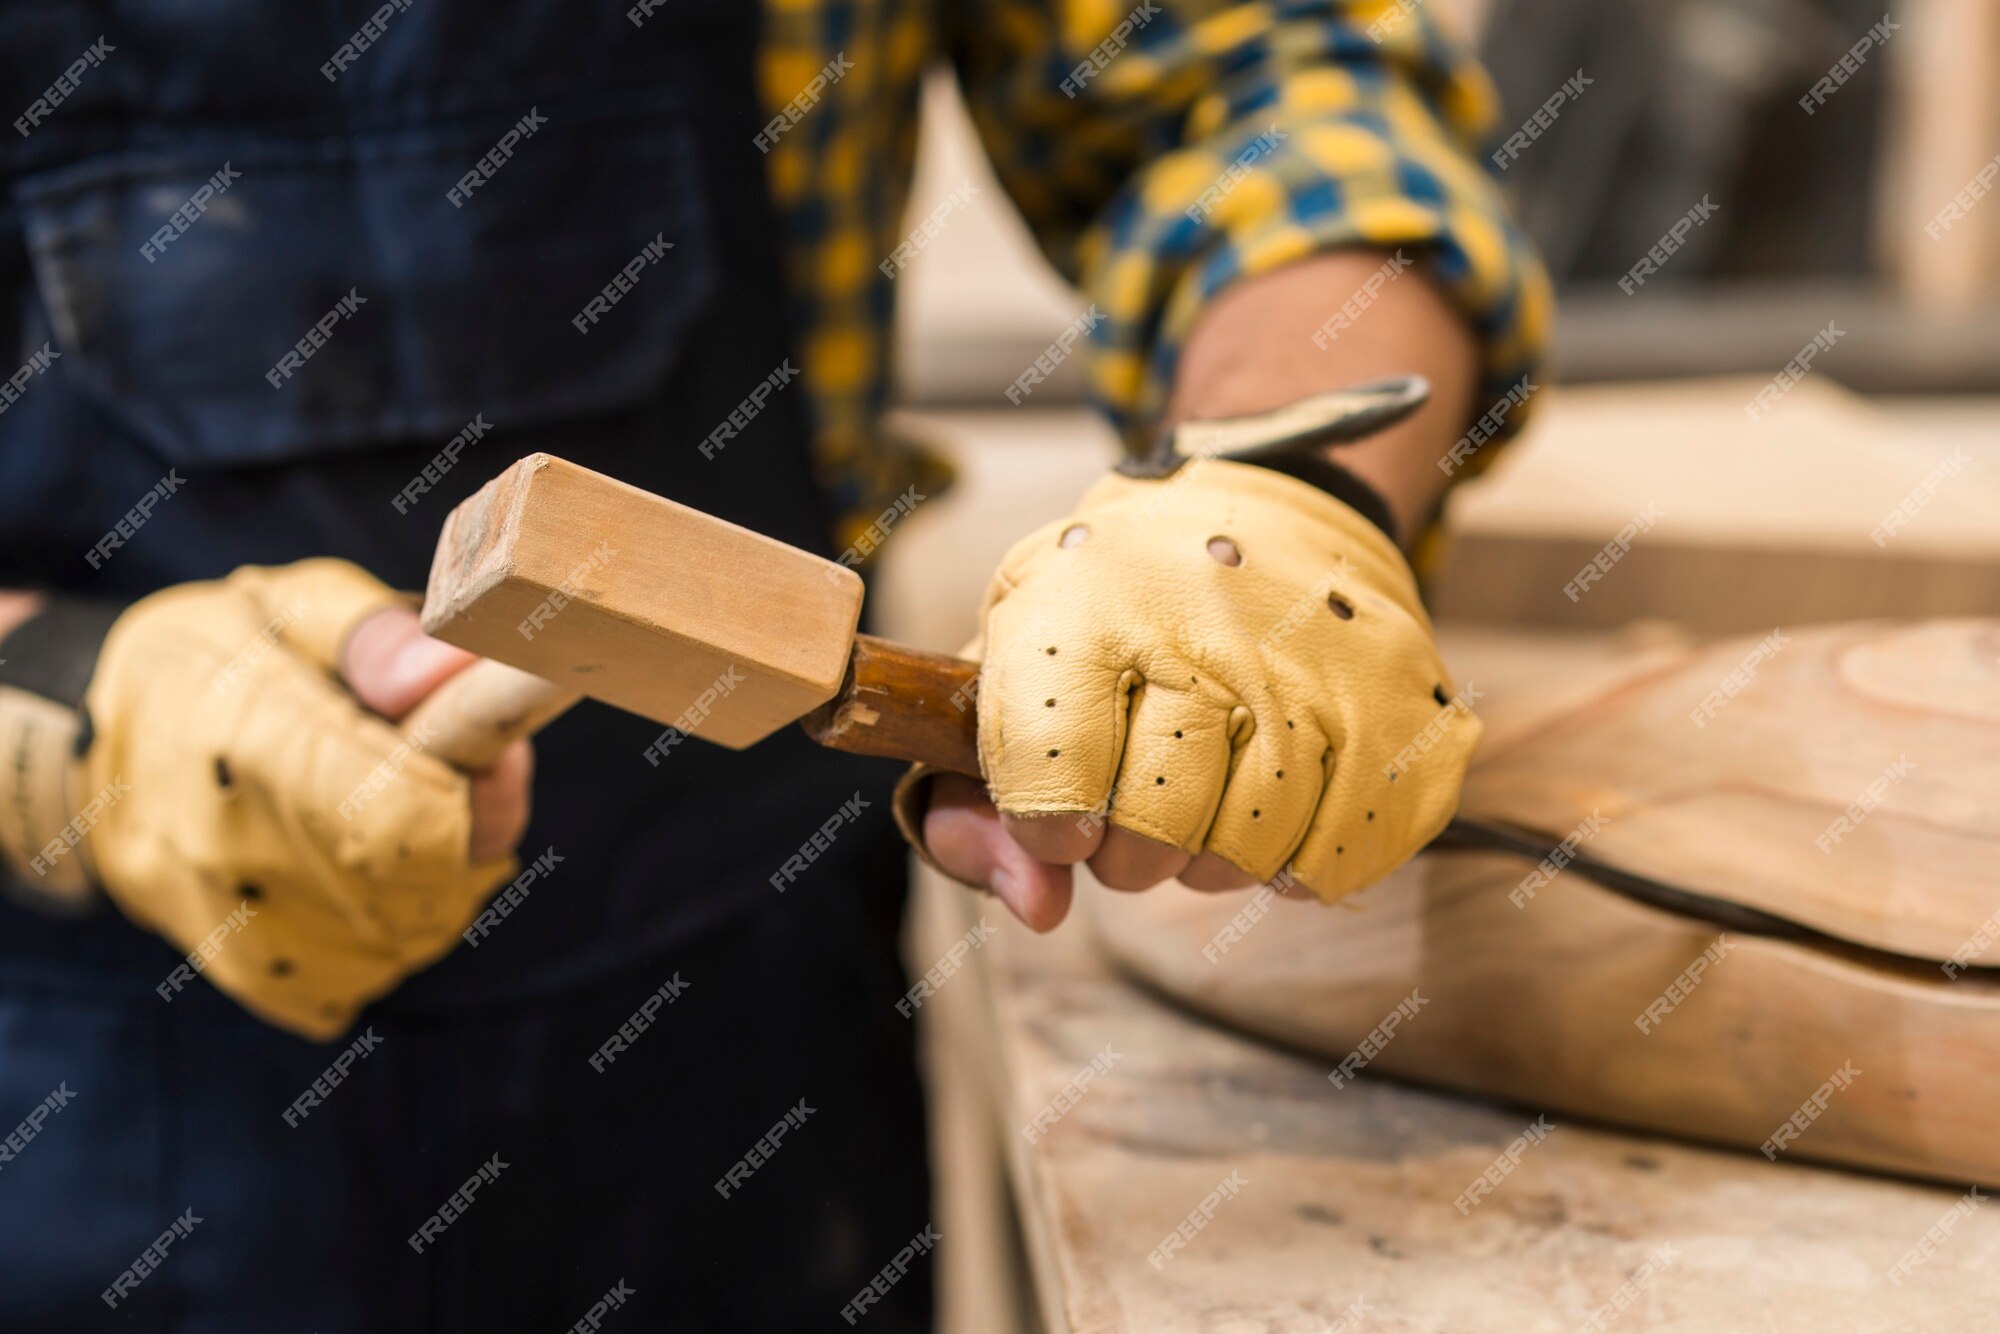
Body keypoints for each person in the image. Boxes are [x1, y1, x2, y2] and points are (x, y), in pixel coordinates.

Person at [0, 1, 1546, 1328]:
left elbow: (1268, 85)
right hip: (80, 1080)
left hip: (735, 1037)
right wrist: (67, 705)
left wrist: (1294, 499)